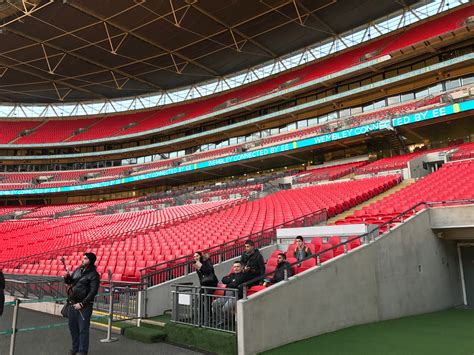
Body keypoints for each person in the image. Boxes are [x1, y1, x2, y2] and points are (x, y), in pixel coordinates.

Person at [64, 253, 100, 355]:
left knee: (83, 330)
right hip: (72, 304)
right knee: (73, 328)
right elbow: (70, 282)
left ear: (91, 261)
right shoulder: (78, 270)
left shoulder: (94, 275)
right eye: (83, 258)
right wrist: (67, 277)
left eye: (85, 258)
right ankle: (75, 348)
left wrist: (82, 304)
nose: (82, 260)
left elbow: (93, 292)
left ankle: (82, 351)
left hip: (84, 307)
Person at [212, 261, 250, 327]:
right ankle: (224, 320)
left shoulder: (244, 275)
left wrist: (229, 283)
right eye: (234, 267)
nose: (236, 268)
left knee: (225, 308)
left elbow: (236, 283)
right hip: (226, 296)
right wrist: (232, 281)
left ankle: (230, 321)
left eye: (238, 266)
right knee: (214, 303)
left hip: (236, 296)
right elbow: (223, 279)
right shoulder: (232, 275)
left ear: (241, 268)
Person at [192, 251, 218, 326]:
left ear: (200, 256)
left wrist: (199, 265)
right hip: (204, 284)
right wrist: (201, 284)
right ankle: (202, 317)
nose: (195, 257)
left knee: (206, 299)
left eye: (197, 256)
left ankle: (209, 317)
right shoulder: (196, 264)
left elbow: (208, 271)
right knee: (199, 298)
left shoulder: (206, 261)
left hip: (211, 283)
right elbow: (200, 276)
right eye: (194, 256)